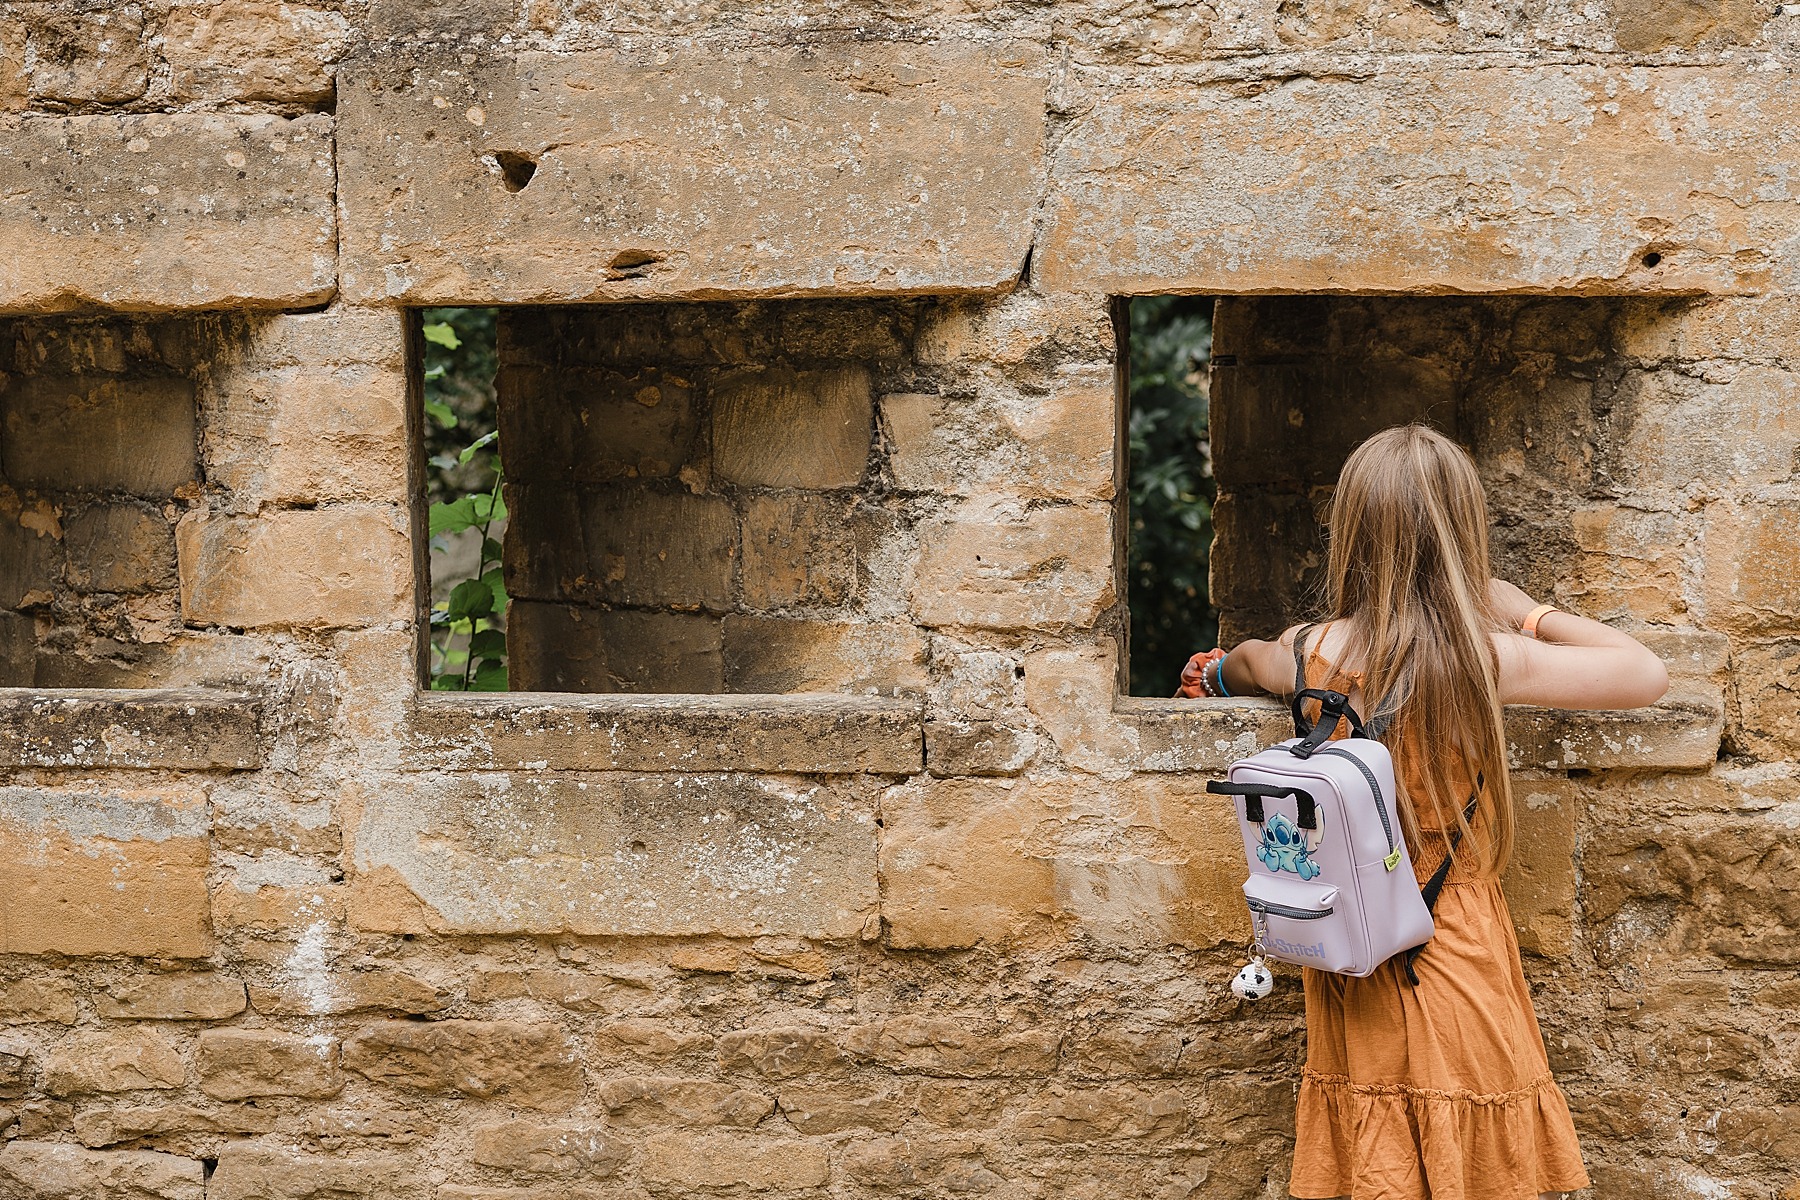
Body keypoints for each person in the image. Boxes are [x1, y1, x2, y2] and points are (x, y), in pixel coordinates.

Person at [1178, 425, 1668, 1200]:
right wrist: (1526, 609)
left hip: (1354, 932)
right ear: (1459, 531)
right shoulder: (1482, 655)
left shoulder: (1307, 650)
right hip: (1450, 922)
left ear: (1355, 532)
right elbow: (1644, 672)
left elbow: (1243, 659)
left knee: (1378, 1166)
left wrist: (1212, 674)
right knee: (1470, 1154)